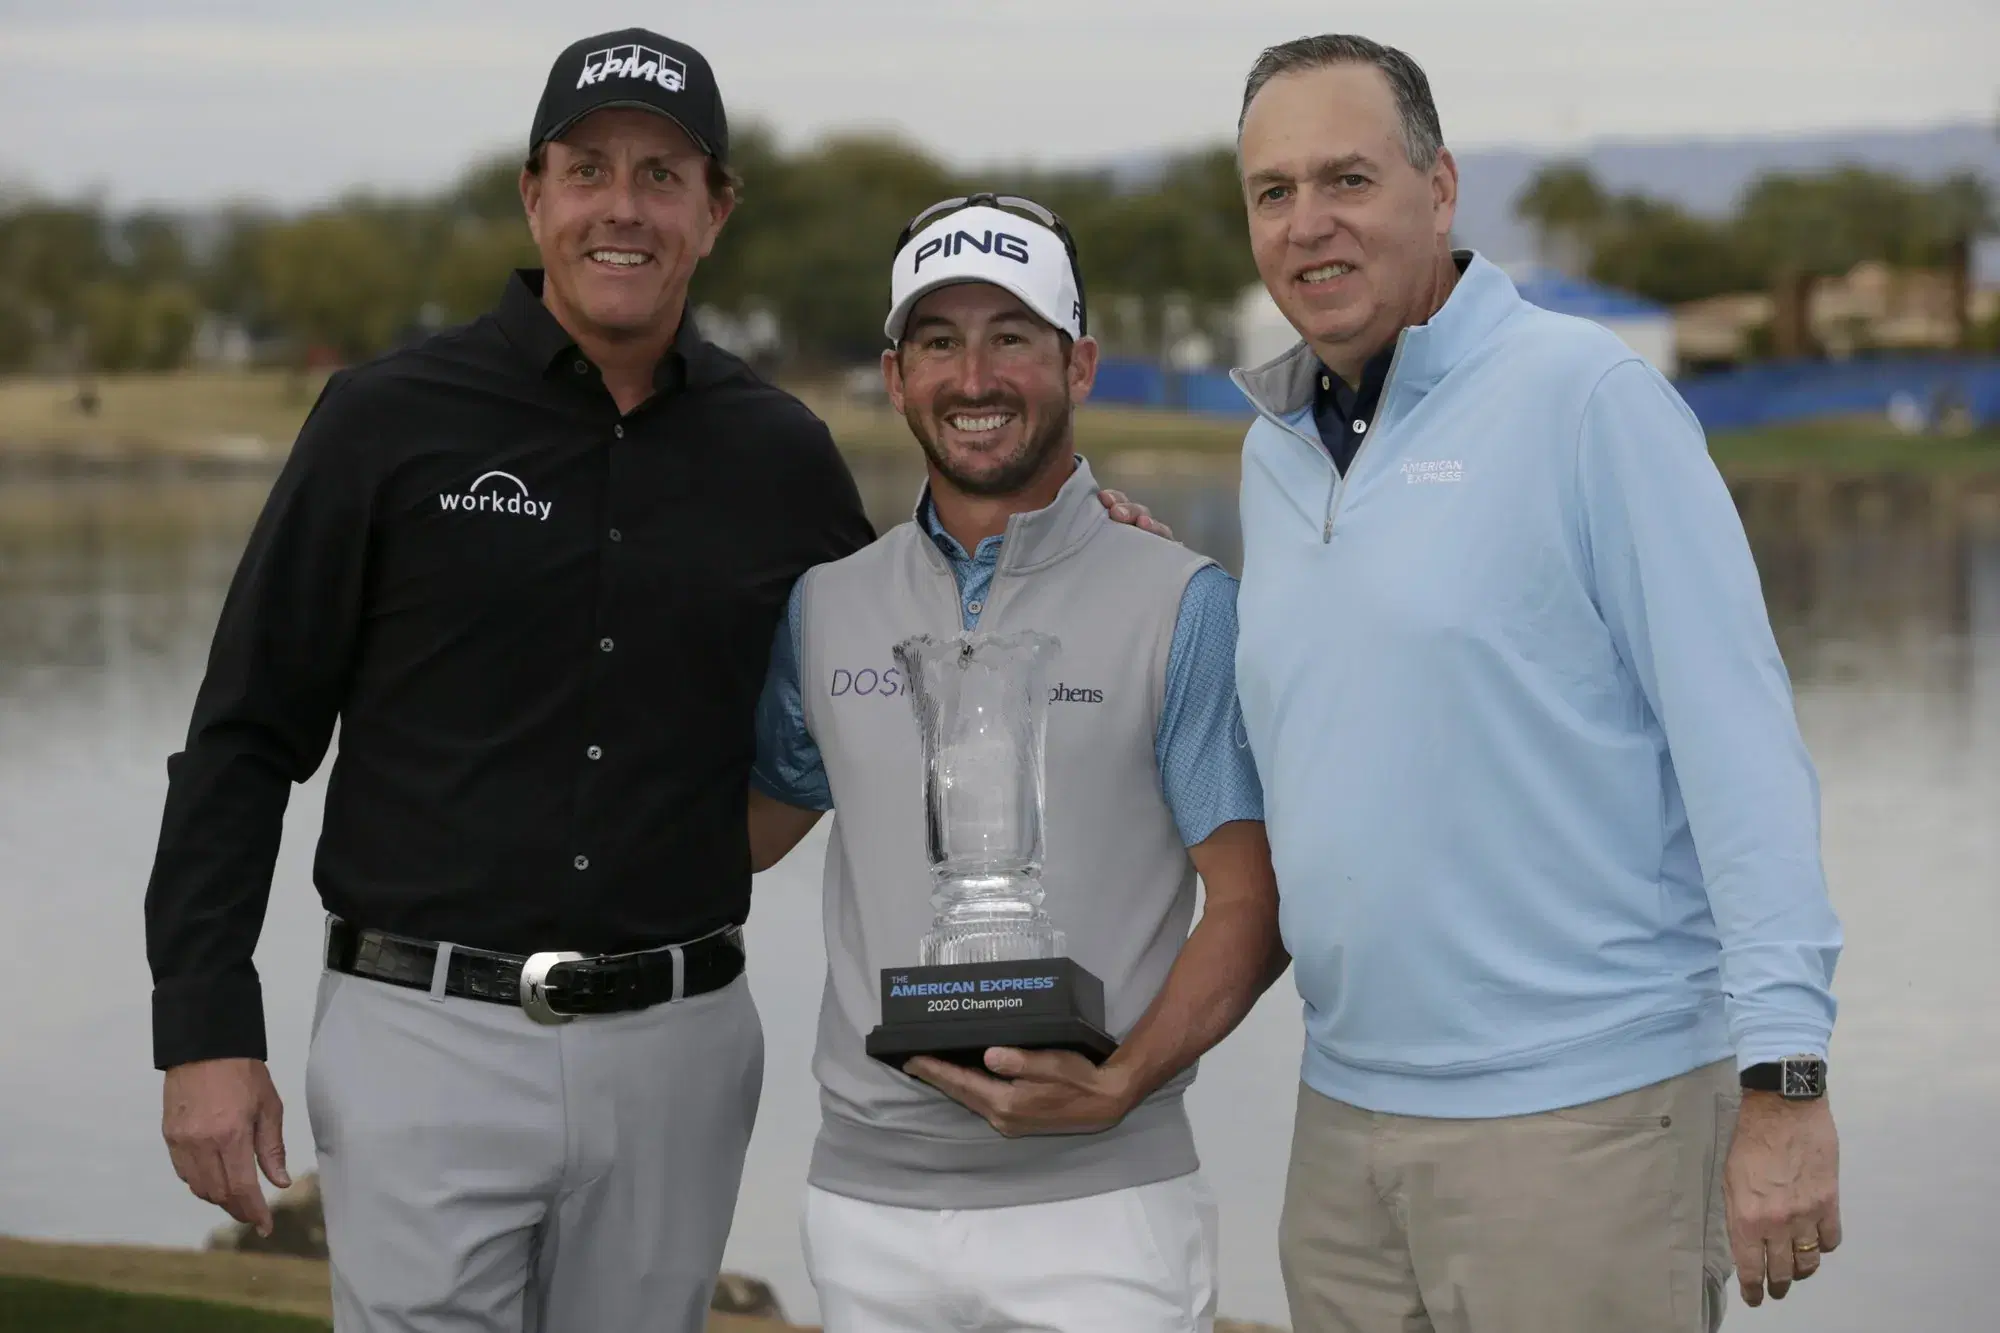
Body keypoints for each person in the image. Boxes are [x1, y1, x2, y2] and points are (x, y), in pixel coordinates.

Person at [143, 27, 873, 1332]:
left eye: (663, 174)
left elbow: (901, 677)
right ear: (535, 195)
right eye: (588, 169)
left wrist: (1070, 544)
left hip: (680, 1044)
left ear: (714, 211)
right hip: (420, 1036)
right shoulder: (384, 420)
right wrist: (204, 1025)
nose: (624, 207)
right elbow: (246, 734)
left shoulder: (782, 456)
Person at [1226, 34, 1845, 1333]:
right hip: (1340, 1128)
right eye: (1273, 191)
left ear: (1439, 188)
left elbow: (1743, 749)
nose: (1308, 223)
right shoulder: (1273, 451)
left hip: (1583, 1127)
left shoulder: (1587, 400)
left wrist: (1786, 1077)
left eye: (1348, 178)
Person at [745, 194, 1287, 1333]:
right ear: (895, 376)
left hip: (1103, 1205)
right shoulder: (826, 604)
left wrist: (1121, 1078)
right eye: (937, 341)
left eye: (1012, 337)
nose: (974, 376)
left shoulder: (1182, 602)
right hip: (867, 1203)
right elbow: (738, 841)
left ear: (1078, 362)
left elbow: (1253, 897)